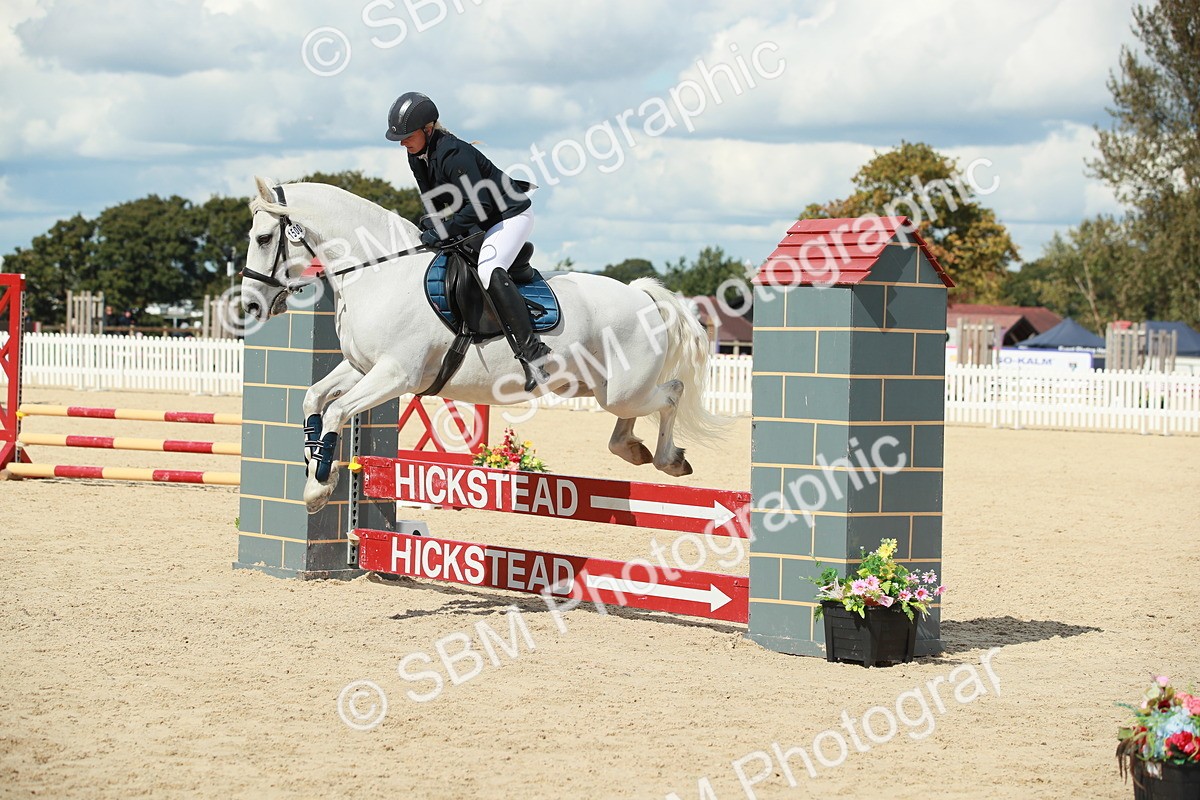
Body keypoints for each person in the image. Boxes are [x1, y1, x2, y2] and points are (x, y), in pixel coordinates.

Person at [386, 91, 551, 391]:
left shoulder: (454, 154)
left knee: (488, 270)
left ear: (428, 129)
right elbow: (433, 201)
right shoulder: (417, 155)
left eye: (407, 136)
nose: (402, 143)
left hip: (509, 215)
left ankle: (533, 354)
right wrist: (432, 226)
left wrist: (444, 232)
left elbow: (480, 207)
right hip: (481, 219)